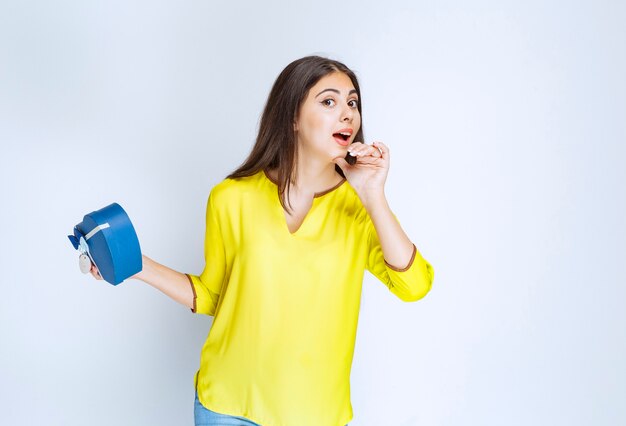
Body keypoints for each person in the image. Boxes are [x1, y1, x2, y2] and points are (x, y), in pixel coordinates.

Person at [89, 55, 434, 426]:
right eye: (329, 101)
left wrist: (373, 195)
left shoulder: (358, 207)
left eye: (352, 103)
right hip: (226, 405)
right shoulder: (231, 197)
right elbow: (214, 296)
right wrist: (139, 266)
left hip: (314, 414)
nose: (347, 114)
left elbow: (414, 286)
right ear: (293, 118)